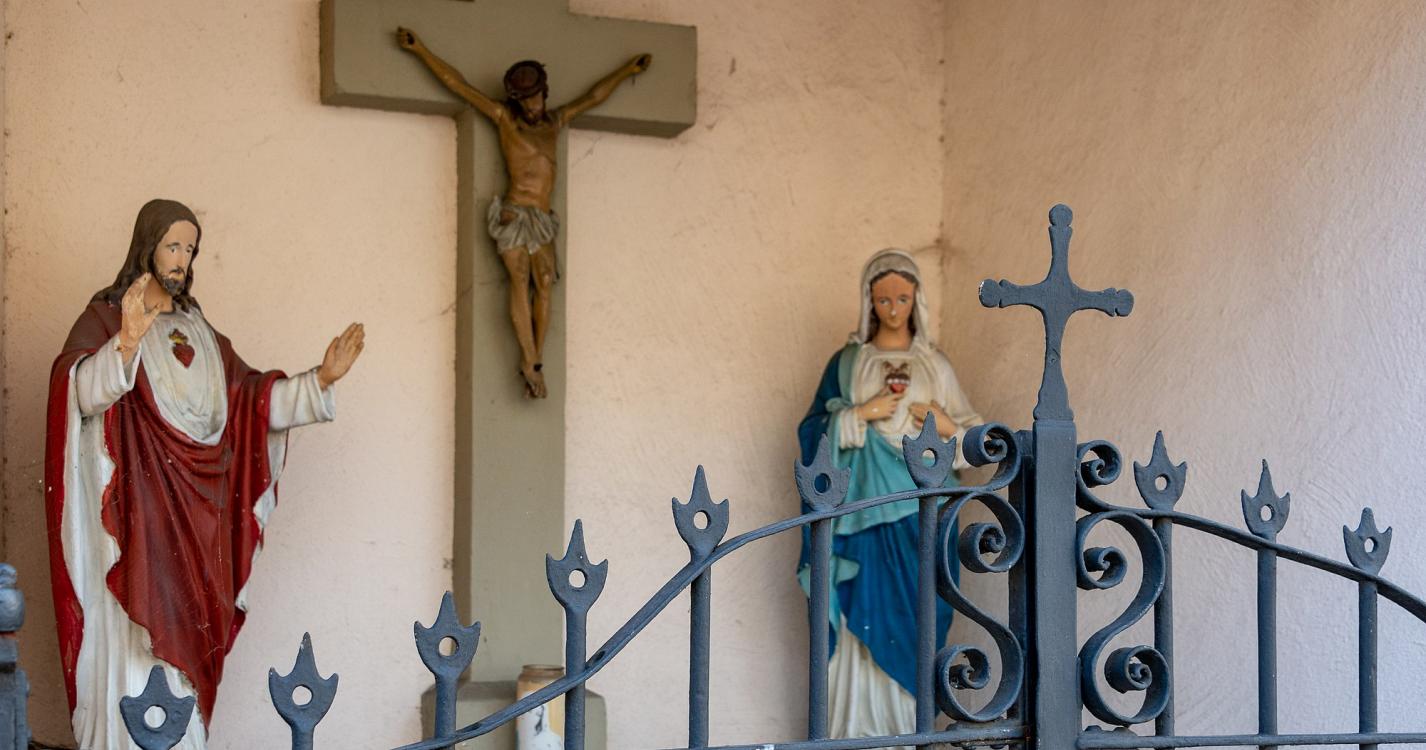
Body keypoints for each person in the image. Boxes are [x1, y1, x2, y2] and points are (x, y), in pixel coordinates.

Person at [43, 199, 365, 748]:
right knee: (135, 640)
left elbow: (250, 403)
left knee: (188, 652)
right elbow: (76, 392)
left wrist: (319, 382)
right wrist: (126, 341)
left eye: (190, 249)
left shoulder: (201, 331)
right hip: (137, 521)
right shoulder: (107, 316)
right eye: (172, 245)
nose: (181, 258)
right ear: (147, 245)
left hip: (199, 530)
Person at [397, 27, 650, 398]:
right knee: (518, 279)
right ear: (517, 102)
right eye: (527, 103)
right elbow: (458, 85)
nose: (534, 108)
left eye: (537, 100)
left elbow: (593, 97)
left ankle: (535, 359)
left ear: (545, 94)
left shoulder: (555, 121)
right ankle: (529, 360)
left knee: (544, 281)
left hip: (542, 219)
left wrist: (627, 71)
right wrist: (421, 50)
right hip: (515, 214)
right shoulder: (505, 119)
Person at [797, 248, 983, 739]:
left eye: (902, 298)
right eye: (883, 299)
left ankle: (906, 730)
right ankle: (851, 731)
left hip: (920, 514)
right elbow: (811, 433)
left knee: (917, 616)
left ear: (916, 299)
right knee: (859, 610)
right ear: (869, 302)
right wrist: (861, 414)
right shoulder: (847, 363)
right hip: (860, 512)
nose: (893, 309)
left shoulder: (934, 364)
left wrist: (944, 424)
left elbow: (977, 439)